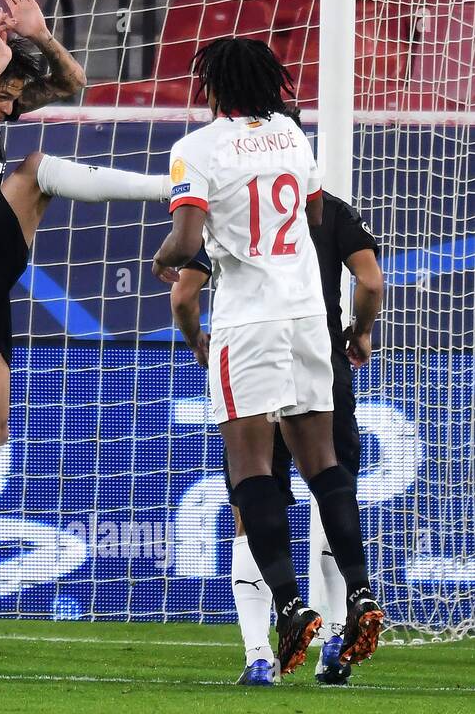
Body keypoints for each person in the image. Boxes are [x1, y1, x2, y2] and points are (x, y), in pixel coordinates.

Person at [0, 0, 173, 643]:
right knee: (39, 169)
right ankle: (173, 189)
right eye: (4, 91)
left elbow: (72, 85)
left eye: (16, 95)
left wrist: (42, 36)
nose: (11, 102)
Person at [152, 37, 384, 677]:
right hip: (310, 312)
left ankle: (289, 606)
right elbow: (311, 215)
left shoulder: (195, 150)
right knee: (324, 464)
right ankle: (360, 594)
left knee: (250, 467)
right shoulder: (290, 135)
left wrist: (167, 258)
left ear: (214, 87)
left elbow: (189, 237)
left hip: (248, 319)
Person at [171, 189, 383, 685]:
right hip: (318, 355)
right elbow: (370, 281)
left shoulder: (226, 203)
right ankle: (341, 631)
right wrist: (362, 332)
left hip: (248, 353)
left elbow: (183, 294)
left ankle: (259, 655)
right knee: (331, 485)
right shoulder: (328, 208)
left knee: (253, 497)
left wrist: (196, 338)